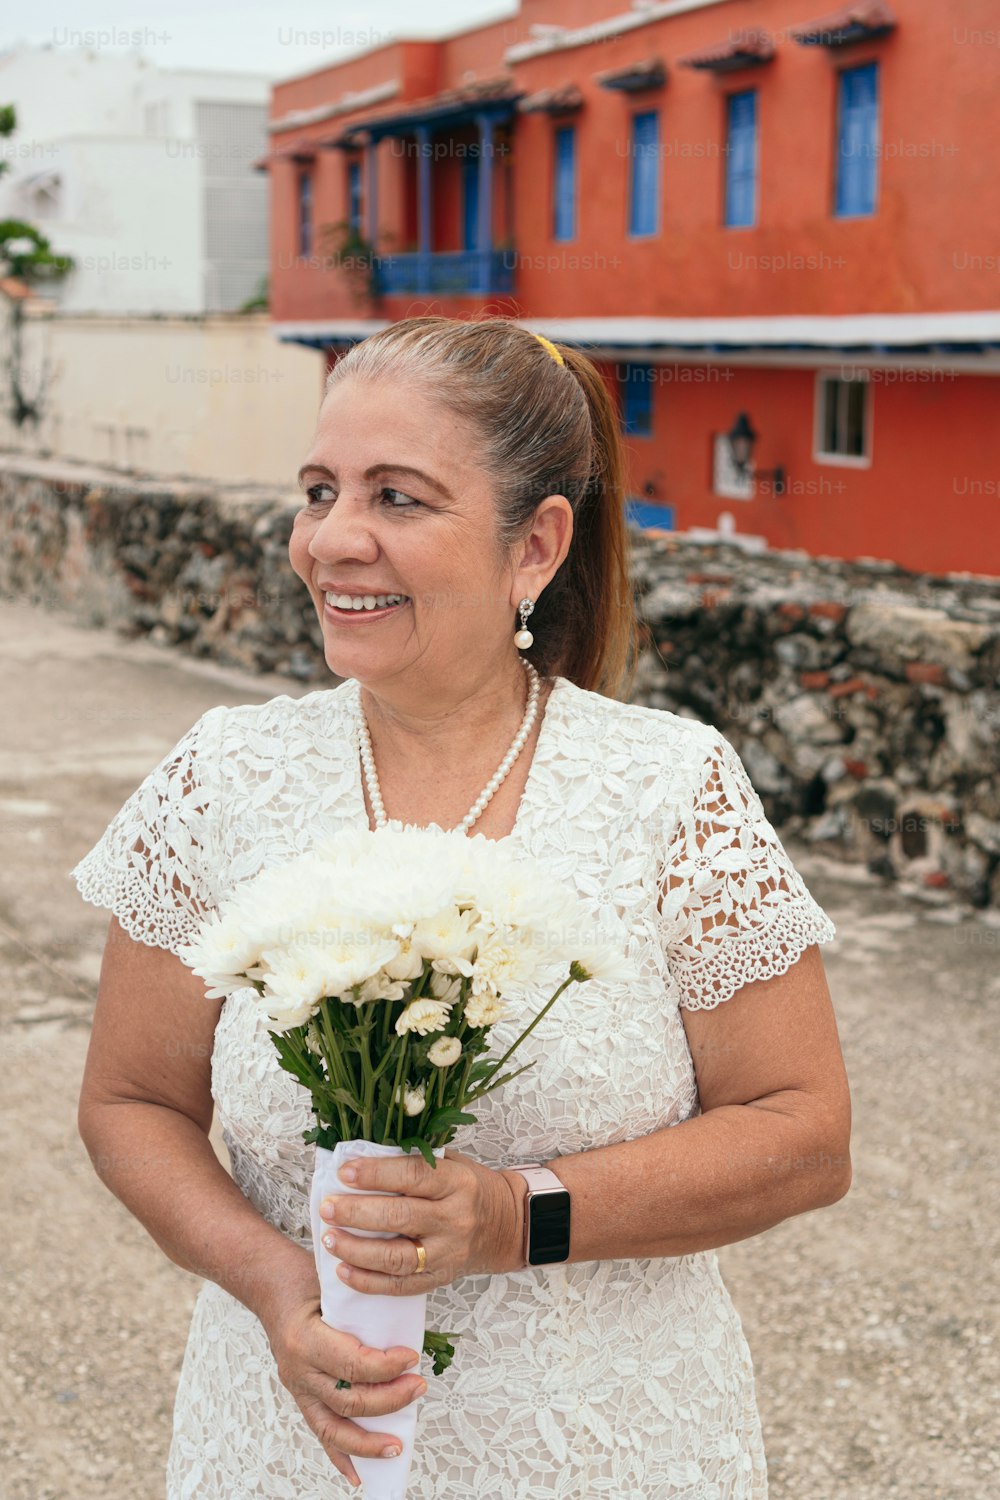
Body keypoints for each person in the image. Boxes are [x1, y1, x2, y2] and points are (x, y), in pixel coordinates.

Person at [71, 314, 851, 1499]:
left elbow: (801, 1133)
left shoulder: (666, 788)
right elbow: (131, 1102)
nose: (333, 540)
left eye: (397, 499)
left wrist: (506, 1216)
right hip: (288, 1441)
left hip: (602, 1446)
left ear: (534, 545)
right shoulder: (223, 777)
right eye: (320, 490)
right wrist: (282, 1290)